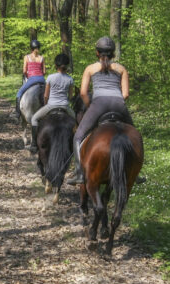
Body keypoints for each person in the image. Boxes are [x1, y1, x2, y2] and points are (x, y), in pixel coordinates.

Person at [66, 36, 133, 185]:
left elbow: (83, 93)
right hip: (118, 104)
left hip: (99, 104)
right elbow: (126, 94)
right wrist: (117, 102)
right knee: (134, 135)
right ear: (113, 53)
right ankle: (135, 171)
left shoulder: (90, 69)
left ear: (97, 53)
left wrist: (91, 106)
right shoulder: (121, 69)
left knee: (78, 136)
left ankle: (79, 173)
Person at [27, 53, 76, 154]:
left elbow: (46, 95)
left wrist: (45, 104)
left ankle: (34, 145)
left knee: (34, 119)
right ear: (66, 66)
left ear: (56, 66)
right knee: (78, 123)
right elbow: (71, 97)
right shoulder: (70, 79)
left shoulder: (50, 77)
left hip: (51, 106)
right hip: (65, 107)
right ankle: (76, 148)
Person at [12, 39, 46, 119]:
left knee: (19, 93)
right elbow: (44, 71)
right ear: (39, 48)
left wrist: (29, 76)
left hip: (32, 79)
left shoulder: (26, 57)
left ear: (31, 48)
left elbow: (24, 70)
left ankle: (17, 114)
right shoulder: (42, 58)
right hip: (41, 79)